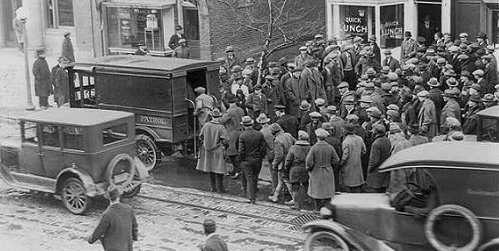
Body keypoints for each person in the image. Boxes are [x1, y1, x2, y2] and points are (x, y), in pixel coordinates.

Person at [88, 185, 138, 251]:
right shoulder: (128, 209)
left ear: (109, 198)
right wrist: (134, 238)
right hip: (127, 247)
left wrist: (91, 240)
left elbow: (99, 231)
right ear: (119, 197)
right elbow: (134, 226)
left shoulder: (107, 214)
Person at [306, 128, 339, 212]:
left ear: (317, 137)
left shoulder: (314, 148)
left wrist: (309, 169)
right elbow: (336, 160)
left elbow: (309, 161)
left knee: (317, 192)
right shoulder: (330, 147)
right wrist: (331, 167)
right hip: (328, 171)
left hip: (316, 171)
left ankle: (317, 209)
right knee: (327, 192)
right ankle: (327, 210)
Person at [196, 109, 229, 193]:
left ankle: (212, 187)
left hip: (207, 151)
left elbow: (200, 137)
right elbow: (225, 140)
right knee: (219, 171)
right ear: (219, 117)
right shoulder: (220, 127)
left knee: (210, 170)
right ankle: (220, 189)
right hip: (218, 150)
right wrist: (224, 147)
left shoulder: (206, 125)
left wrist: (205, 143)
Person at [238, 116, 267, 204]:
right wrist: (261, 156)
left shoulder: (242, 135)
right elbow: (263, 148)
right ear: (252, 124)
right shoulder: (259, 134)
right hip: (257, 159)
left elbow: (241, 151)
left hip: (247, 160)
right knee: (255, 177)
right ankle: (254, 193)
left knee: (249, 178)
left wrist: (241, 159)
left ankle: (252, 197)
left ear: (243, 125)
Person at [268, 123, 296, 204]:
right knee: (281, 180)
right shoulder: (288, 135)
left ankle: (294, 198)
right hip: (291, 160)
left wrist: (274, 164)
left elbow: (279, 155)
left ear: (274, 132)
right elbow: (295, 143)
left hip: (283, 163)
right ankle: (275, 196)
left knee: (286, 180)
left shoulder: (277, 140)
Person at [284, 130, 312, 210]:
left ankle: (296, 205)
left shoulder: (293, 148)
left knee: (295, 187)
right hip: (306, 169)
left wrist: (286, 169)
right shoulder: (310, 148)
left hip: (295, 169)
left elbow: (288, 160)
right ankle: (309, 201)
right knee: (307, 185)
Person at [339, 123, 366, 193]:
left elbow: (345, 156)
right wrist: (357, 156)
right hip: (357, 164)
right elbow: (364, 150)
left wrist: (341, 163)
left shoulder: (346, 141)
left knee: (348, 185)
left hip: (348, 166)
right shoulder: (360, 138)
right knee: (357, 184)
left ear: (346, 131)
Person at [365, 124, 391, 193]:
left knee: (374, 196)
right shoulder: (387, 140)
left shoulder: (376, 144)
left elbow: (374, 161)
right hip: (384, 172)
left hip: (376, 174)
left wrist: (369, 170)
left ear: (376, 132)